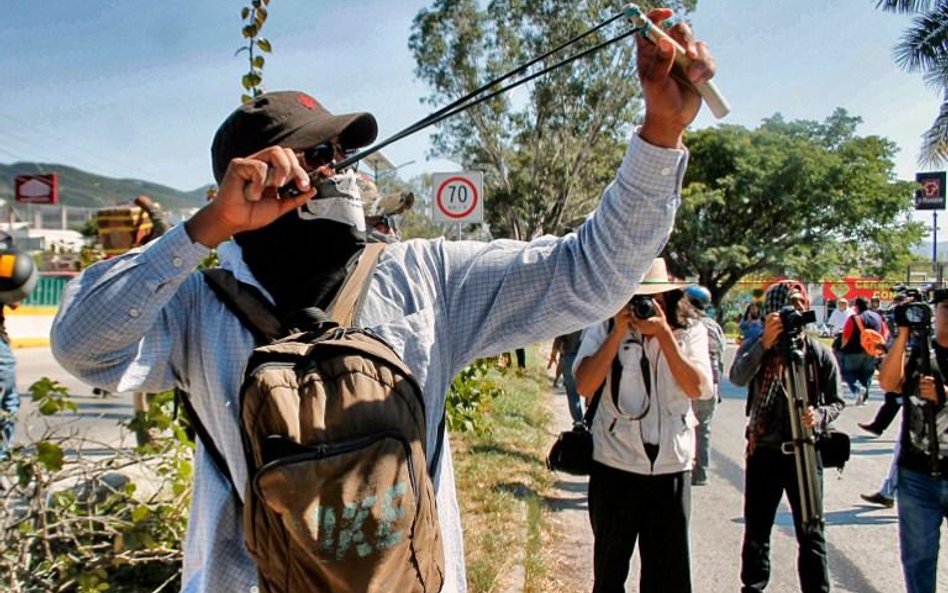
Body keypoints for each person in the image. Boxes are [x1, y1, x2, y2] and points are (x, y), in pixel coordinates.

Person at [48, 10, 717, 592]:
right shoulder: (196, 300)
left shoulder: (426, 276)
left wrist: (661, 129)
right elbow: (82, 346)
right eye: (318, 154)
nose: (341, 169)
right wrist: (203, 230)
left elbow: (594, 272)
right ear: (247, 179)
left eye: (343, 152)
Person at [573, 258, 713, 593]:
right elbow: (584, 385)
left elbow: (698, 388)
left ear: (670, 297)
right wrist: (618, 332)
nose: (645, 306)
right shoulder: (606, 326)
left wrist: (664, 335)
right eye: (636, 298)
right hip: (615, 464)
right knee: (609, 573)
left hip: (671, 467)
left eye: (654, 298)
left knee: (669, 577)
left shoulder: (691, 331)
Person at [729, 280, 844, 593]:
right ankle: (753, 585)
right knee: (756, 530)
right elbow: (737, 376)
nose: (796, 311)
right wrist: (764, 343)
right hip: (764, 450)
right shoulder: (759, 346)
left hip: (806, 451)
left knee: (811, 530)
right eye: (788, 306)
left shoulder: (817, 354)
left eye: (801, 305)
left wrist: (818, 416)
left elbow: (836, 401)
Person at [877, 288, 948, 593]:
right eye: (945, 307)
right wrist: (903, 334)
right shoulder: (922, 353)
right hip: (917, 475)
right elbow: (888, 382)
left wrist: (945, 394)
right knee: (918, 559)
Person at [684, 284, 725, 486]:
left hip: (692, 381)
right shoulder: (713, 326)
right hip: (711, 383)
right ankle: (701, 472)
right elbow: (721, 354)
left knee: (687, 424)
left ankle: (687, 468)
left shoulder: (688, 325)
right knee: (704, 429)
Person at [838, 296, 889, 405]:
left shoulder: (854, 318)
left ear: (856, 306)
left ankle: (857, 389)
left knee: (847, 372)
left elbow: (846, 336)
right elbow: (884, 333)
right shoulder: (878, 317)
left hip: (853, 351)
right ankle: (864, 398)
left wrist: (842, 347)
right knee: (867, 374)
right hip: (871, 351)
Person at [549, 329, 585, 426]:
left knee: (572, 393)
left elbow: (558, 339)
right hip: (587, 357)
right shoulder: (591, 319)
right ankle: (591, 419)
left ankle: (579, 421)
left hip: (570, 358)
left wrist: (553, 355)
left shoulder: (568, 320)